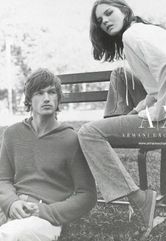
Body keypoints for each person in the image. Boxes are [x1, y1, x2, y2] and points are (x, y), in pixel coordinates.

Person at [79, 0, 166, 237]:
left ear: (124, 11)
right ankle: (113, 130)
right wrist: (138, 111)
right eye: (100, 21)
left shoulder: (133, 35)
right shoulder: (141, 32)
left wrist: (158, 112)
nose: (104, 21)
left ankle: (141, 200)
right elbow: (156, 87)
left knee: (88, 132)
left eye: (108, 13)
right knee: (120, 73)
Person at [0, 69, 97, 241]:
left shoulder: (71, 139)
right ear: (29, 99)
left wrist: (45, 211)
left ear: (58, 98)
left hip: (42, 216)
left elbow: (87, 195)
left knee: (14, 235)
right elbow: (3, 179)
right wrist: (11, 202)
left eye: (52, 92)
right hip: (9, 207)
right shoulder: (12, 134)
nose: (46, 98)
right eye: (39, 93)